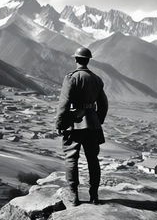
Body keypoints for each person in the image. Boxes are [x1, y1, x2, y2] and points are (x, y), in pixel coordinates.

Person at [56, 47, 108, 206]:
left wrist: (60, 123)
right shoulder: (97, 79)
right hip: (93, 124)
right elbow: (104, 104)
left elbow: (64, 104)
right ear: (88, 60)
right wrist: (97, 120)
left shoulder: (71, 78)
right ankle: (94, 196)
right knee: (93, 159)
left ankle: (74, 196)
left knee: (71, 158)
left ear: (76, 60)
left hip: (75, 124)